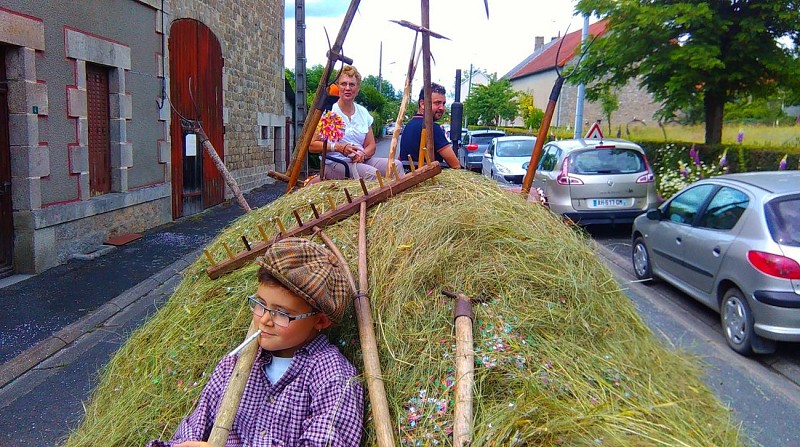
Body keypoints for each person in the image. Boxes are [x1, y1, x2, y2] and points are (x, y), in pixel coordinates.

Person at [146, 237, 363, 447]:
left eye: (282, 313)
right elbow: (193, 429)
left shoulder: (334, 378)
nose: (265, 320)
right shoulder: (233, 366)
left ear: (320, 320)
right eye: (260, 304)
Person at [310, 65, 404, 180]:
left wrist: (363, 154)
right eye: (343, 84)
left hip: (360, 161)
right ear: (338, 86)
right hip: (336, 164)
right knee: (372, 174)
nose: (348, 88)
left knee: (396, 166)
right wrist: (338, 147)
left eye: (352, 84)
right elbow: (313, 145)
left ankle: (397, 197)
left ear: (358, 89)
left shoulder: (363, 112)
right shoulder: (330, 112)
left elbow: (371, 145)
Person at [399, 82, 461, 169]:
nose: (442, 108)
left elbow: (400, 158)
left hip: (407, 177)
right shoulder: (432, 128)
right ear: (423, 104)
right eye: (437, 103)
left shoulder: (408, 126)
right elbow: (455, 165)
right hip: (427, 180)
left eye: (443, 103)